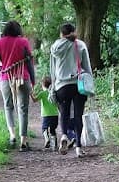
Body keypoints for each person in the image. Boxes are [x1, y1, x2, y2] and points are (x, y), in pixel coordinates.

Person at [49, 22, 93, 157]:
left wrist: (53, 86)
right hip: (78, 83)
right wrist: (90, 84)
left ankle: (63, 136)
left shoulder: (55, 47)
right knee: (78, 115)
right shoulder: (80, 45)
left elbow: (52, 69)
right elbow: (87, 67)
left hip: (62, 85)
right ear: (74, 32)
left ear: (61, 34)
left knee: (64, 112)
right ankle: (79, 147)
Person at [0, 20, 36, 152]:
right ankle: (23, 140)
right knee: (23, 109)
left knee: (8, 106)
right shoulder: (23, 42)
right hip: (23, 78)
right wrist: (33, 81)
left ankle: (12, 135)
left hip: (6, 78)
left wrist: (3, 68)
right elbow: (29, 63)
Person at [31, 75, 59, 150]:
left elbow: (34, 100)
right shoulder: (54, 93)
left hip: (46, 115)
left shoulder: (42, 93)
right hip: (55, 114)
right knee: (53, 130)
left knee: (44, 128)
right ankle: (55, 146)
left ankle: (47, 139)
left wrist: (31, 94)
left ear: (42, 85)